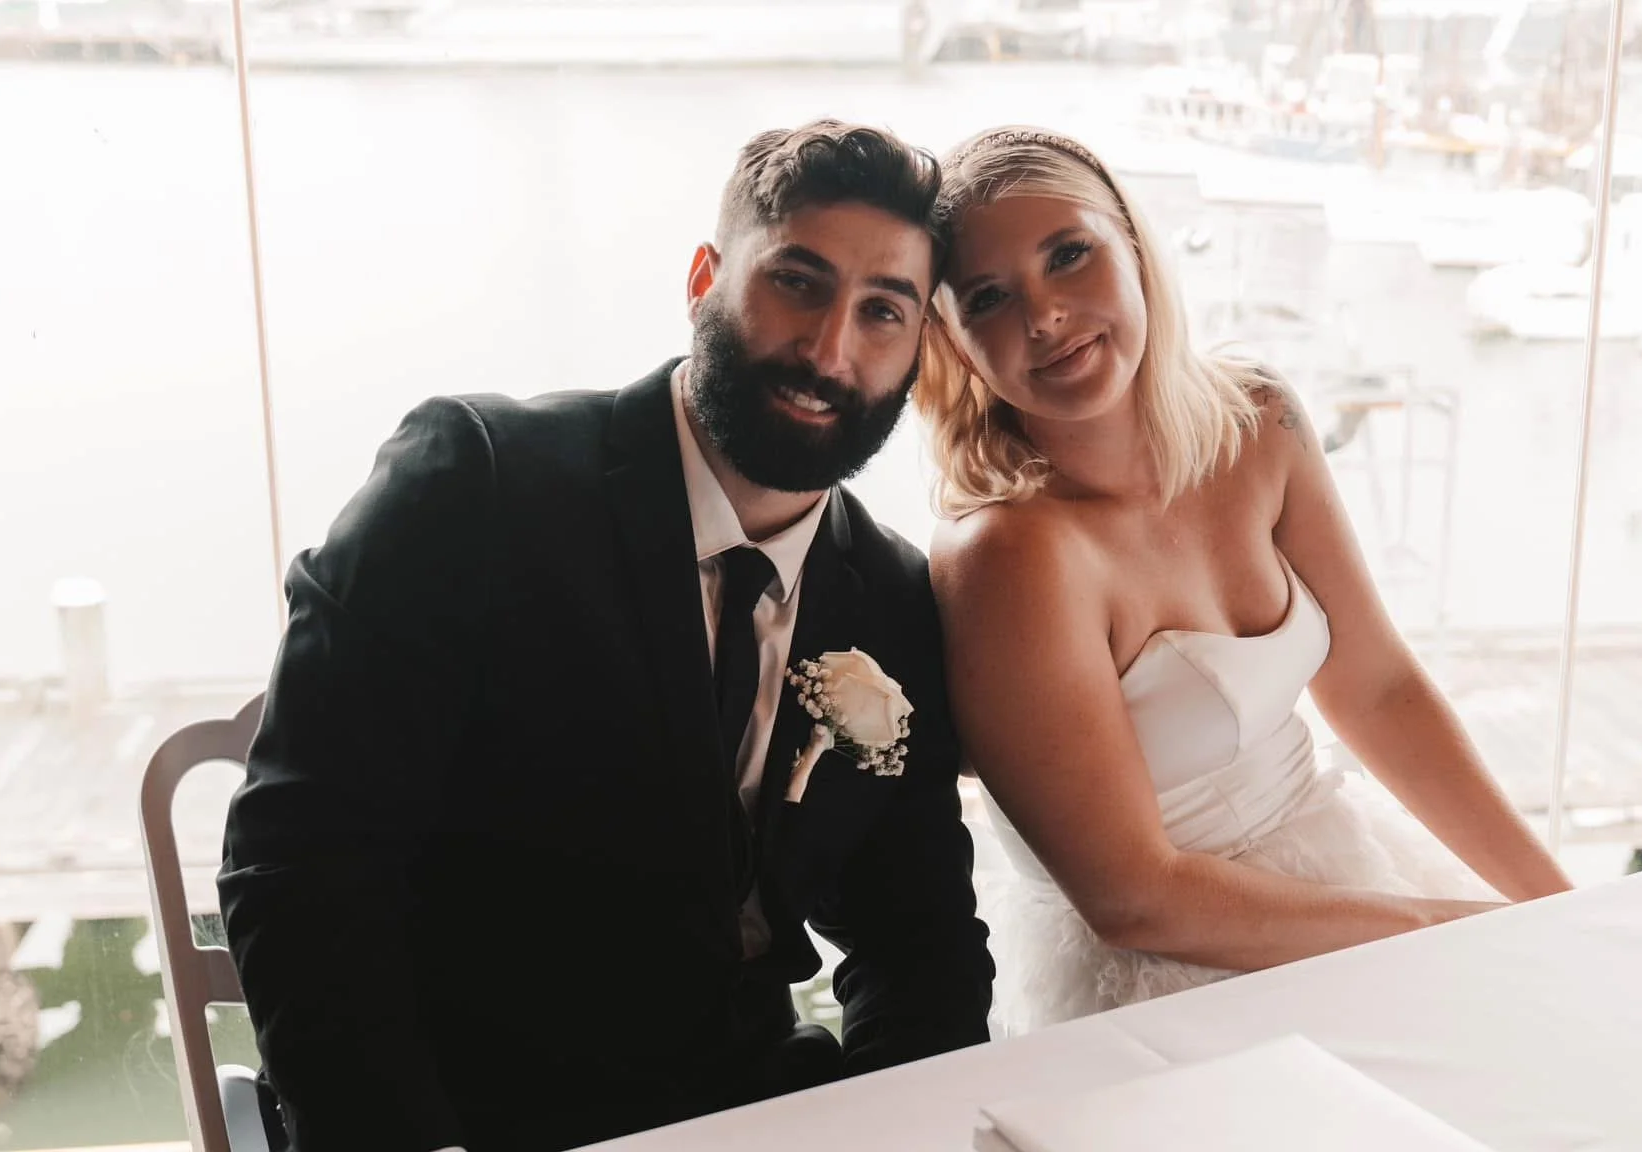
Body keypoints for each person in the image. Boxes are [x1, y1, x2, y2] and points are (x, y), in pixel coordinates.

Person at [219, 119, 994, 1152]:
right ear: (704, 281)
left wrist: (897, 1128)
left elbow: (919, 940)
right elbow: (300, 862)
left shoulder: (892, 595)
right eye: (795, 282)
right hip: (470, 1112)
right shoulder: (475, 483)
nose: (828, 350)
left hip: (754, 1108)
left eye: (881, 311)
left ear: (916, 347)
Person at [911, 126, 1570, 1035]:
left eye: (1068, 254)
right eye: (989, 297)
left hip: (1343, 876)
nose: (1046, 315)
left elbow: (1377, 688)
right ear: (952, 340)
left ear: (1133, 243)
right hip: (1171, 973)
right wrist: (1443, 934)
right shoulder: (1007, 556)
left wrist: (1562, 909)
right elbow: (1136, 901)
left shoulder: (1256, 419)